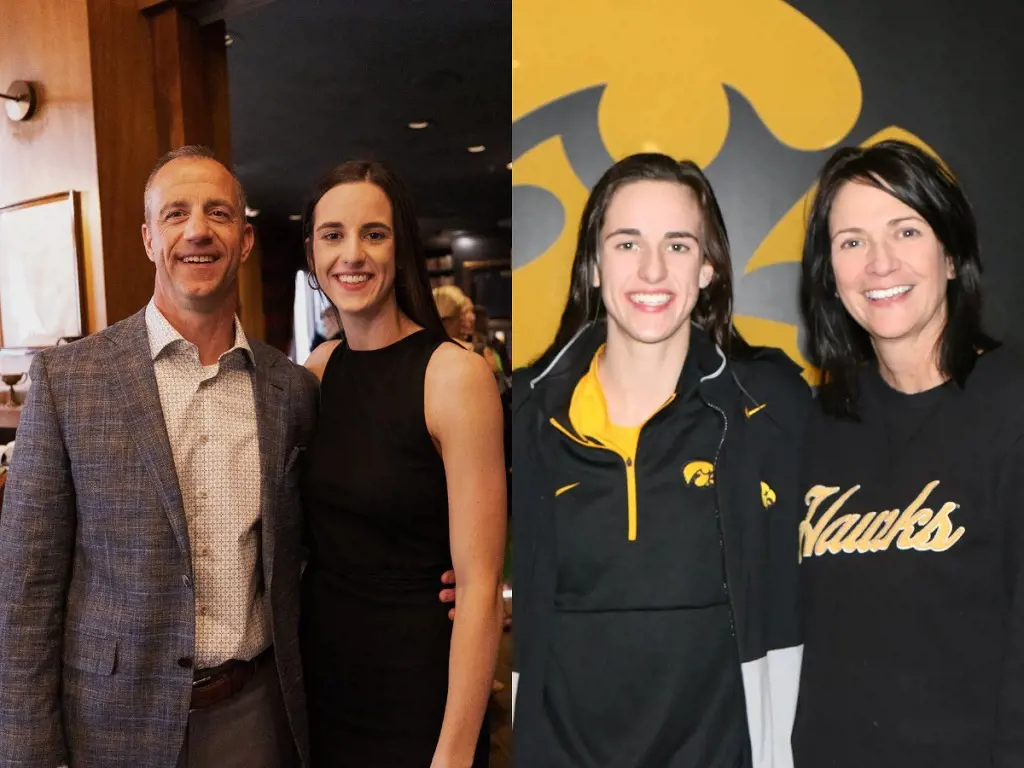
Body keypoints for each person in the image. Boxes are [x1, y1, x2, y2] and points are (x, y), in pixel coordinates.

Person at [0, 145, 317, 767]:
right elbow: (24, 591)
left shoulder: (291, 391)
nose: (197, 230)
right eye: (176, 214)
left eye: (218, 214)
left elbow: (311, 550)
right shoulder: (71, 381)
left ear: (245, 240)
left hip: (255, 717)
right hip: (110, 726)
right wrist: (29, 753)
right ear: (149, 239)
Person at [511, 153, 809, 767]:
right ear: (594, 264)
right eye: (627, 244)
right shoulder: (525, 415)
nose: (652, 269)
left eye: (677, 245)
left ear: (707, 267)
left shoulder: (770, 407)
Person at [794, 139, 1024, 766]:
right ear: (830, 274)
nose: (880, 263)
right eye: (852, 242)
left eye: (906, 230)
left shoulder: (1010, 405)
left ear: (951, 255)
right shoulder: (816, 427)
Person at [300, 160, 506, 767]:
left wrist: (453, 753)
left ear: (401, 246)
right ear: (311, 253)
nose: (352, 254)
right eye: (333, 235)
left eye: (375, 233)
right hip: (325, 680)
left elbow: (478, 588)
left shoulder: (455, 375)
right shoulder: (315, 372)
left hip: (417, 687)